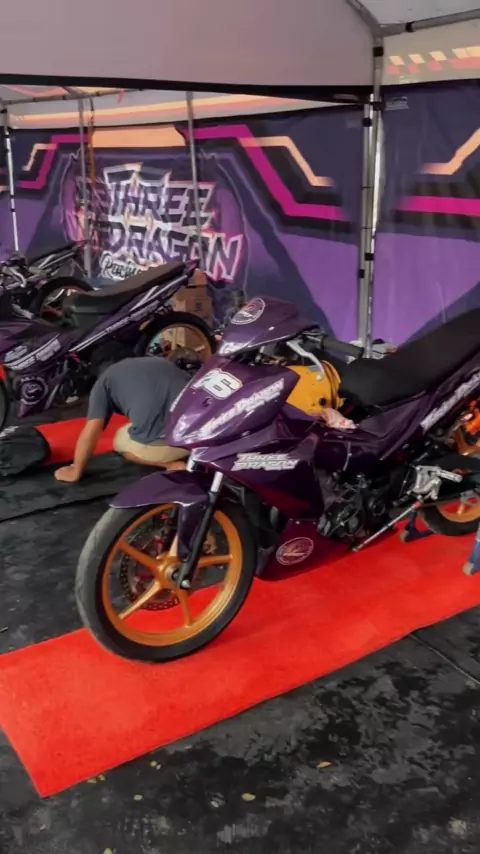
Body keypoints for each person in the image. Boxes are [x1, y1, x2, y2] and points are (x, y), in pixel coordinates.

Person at [54, 356, 189, 483]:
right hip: (198, 438)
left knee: (120, 438)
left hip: (172, 447)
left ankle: (171, 464)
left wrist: (75, 469)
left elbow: (92, 431)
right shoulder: (160, 361)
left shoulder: (104, 382)